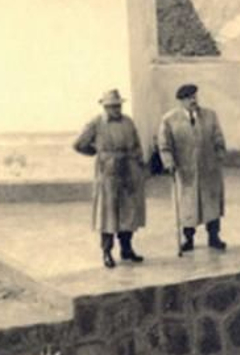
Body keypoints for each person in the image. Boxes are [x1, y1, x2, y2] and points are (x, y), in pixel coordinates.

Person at [73, 89, 147, 269]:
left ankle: (126, 249)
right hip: (108, 173)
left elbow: (137, 144)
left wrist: (139, 163)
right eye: (112, 106)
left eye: (118, 105)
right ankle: (106, 252)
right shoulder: (96, 123)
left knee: (128, 211)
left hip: (129, 169)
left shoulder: (128, 122)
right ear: (105, 107)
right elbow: (79, 144)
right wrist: (99, 154)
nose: (116, 109)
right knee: (108, 214)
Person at [157, 82, 228, 256]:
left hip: (209, 169)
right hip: (185, 171)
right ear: (181, 101)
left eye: (194, 97)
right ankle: (188, 239)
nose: (193, 101)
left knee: (211, 204)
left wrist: (219, 155)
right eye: (188, 98)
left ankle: (214, 237)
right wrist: (169, 163)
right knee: (188, 206)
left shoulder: (210, 116)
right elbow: (164, 145)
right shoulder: (169, 120)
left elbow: (218, 138)